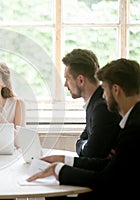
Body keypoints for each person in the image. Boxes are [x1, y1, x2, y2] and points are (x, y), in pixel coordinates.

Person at [26, 58, 140, 199]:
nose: (103, 96)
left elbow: (107, 179)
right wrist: (64, 160)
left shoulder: (134, 128)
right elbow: (111, 164)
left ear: (116, 90)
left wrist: (59, 170)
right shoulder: (133, 119)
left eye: (104, 89)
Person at [62, 49, 121, 158]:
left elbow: (91, 153)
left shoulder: (102, 107)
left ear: (81, 80)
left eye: (67, 78)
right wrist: (85, 144)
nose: (65, 85)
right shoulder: (94, 103)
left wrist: (84, 144)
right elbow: (82, 140)